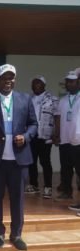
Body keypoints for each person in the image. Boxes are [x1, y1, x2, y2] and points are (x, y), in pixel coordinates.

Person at [0, 64, 37, 251]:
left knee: (18, 198)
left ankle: (16, 234)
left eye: (11, 78)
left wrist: (26, 137)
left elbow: (34, 124)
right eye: (4, 78)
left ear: (15, 80)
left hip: (19, 160)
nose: (8, 81)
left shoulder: (25, 99)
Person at [25, 75, 58, 199]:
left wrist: (56, 133)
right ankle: (34, 185)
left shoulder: (52, 99)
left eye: (38, 83)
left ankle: (48, 187)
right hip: (32, 135)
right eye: (34, 84)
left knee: (45, 162)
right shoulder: (29, 99)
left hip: (45, 136)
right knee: (31, 162)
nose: (35, 86)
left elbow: (57, 117)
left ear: (44, 85)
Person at [53, 71, 80, 207]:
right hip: (65, 139)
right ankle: (66, 191)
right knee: (66, 168)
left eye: (72, 81)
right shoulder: (62, 100)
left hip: (78, 139)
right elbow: (57, 117)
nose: (69, 83)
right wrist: (56, 134)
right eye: (68, 81)